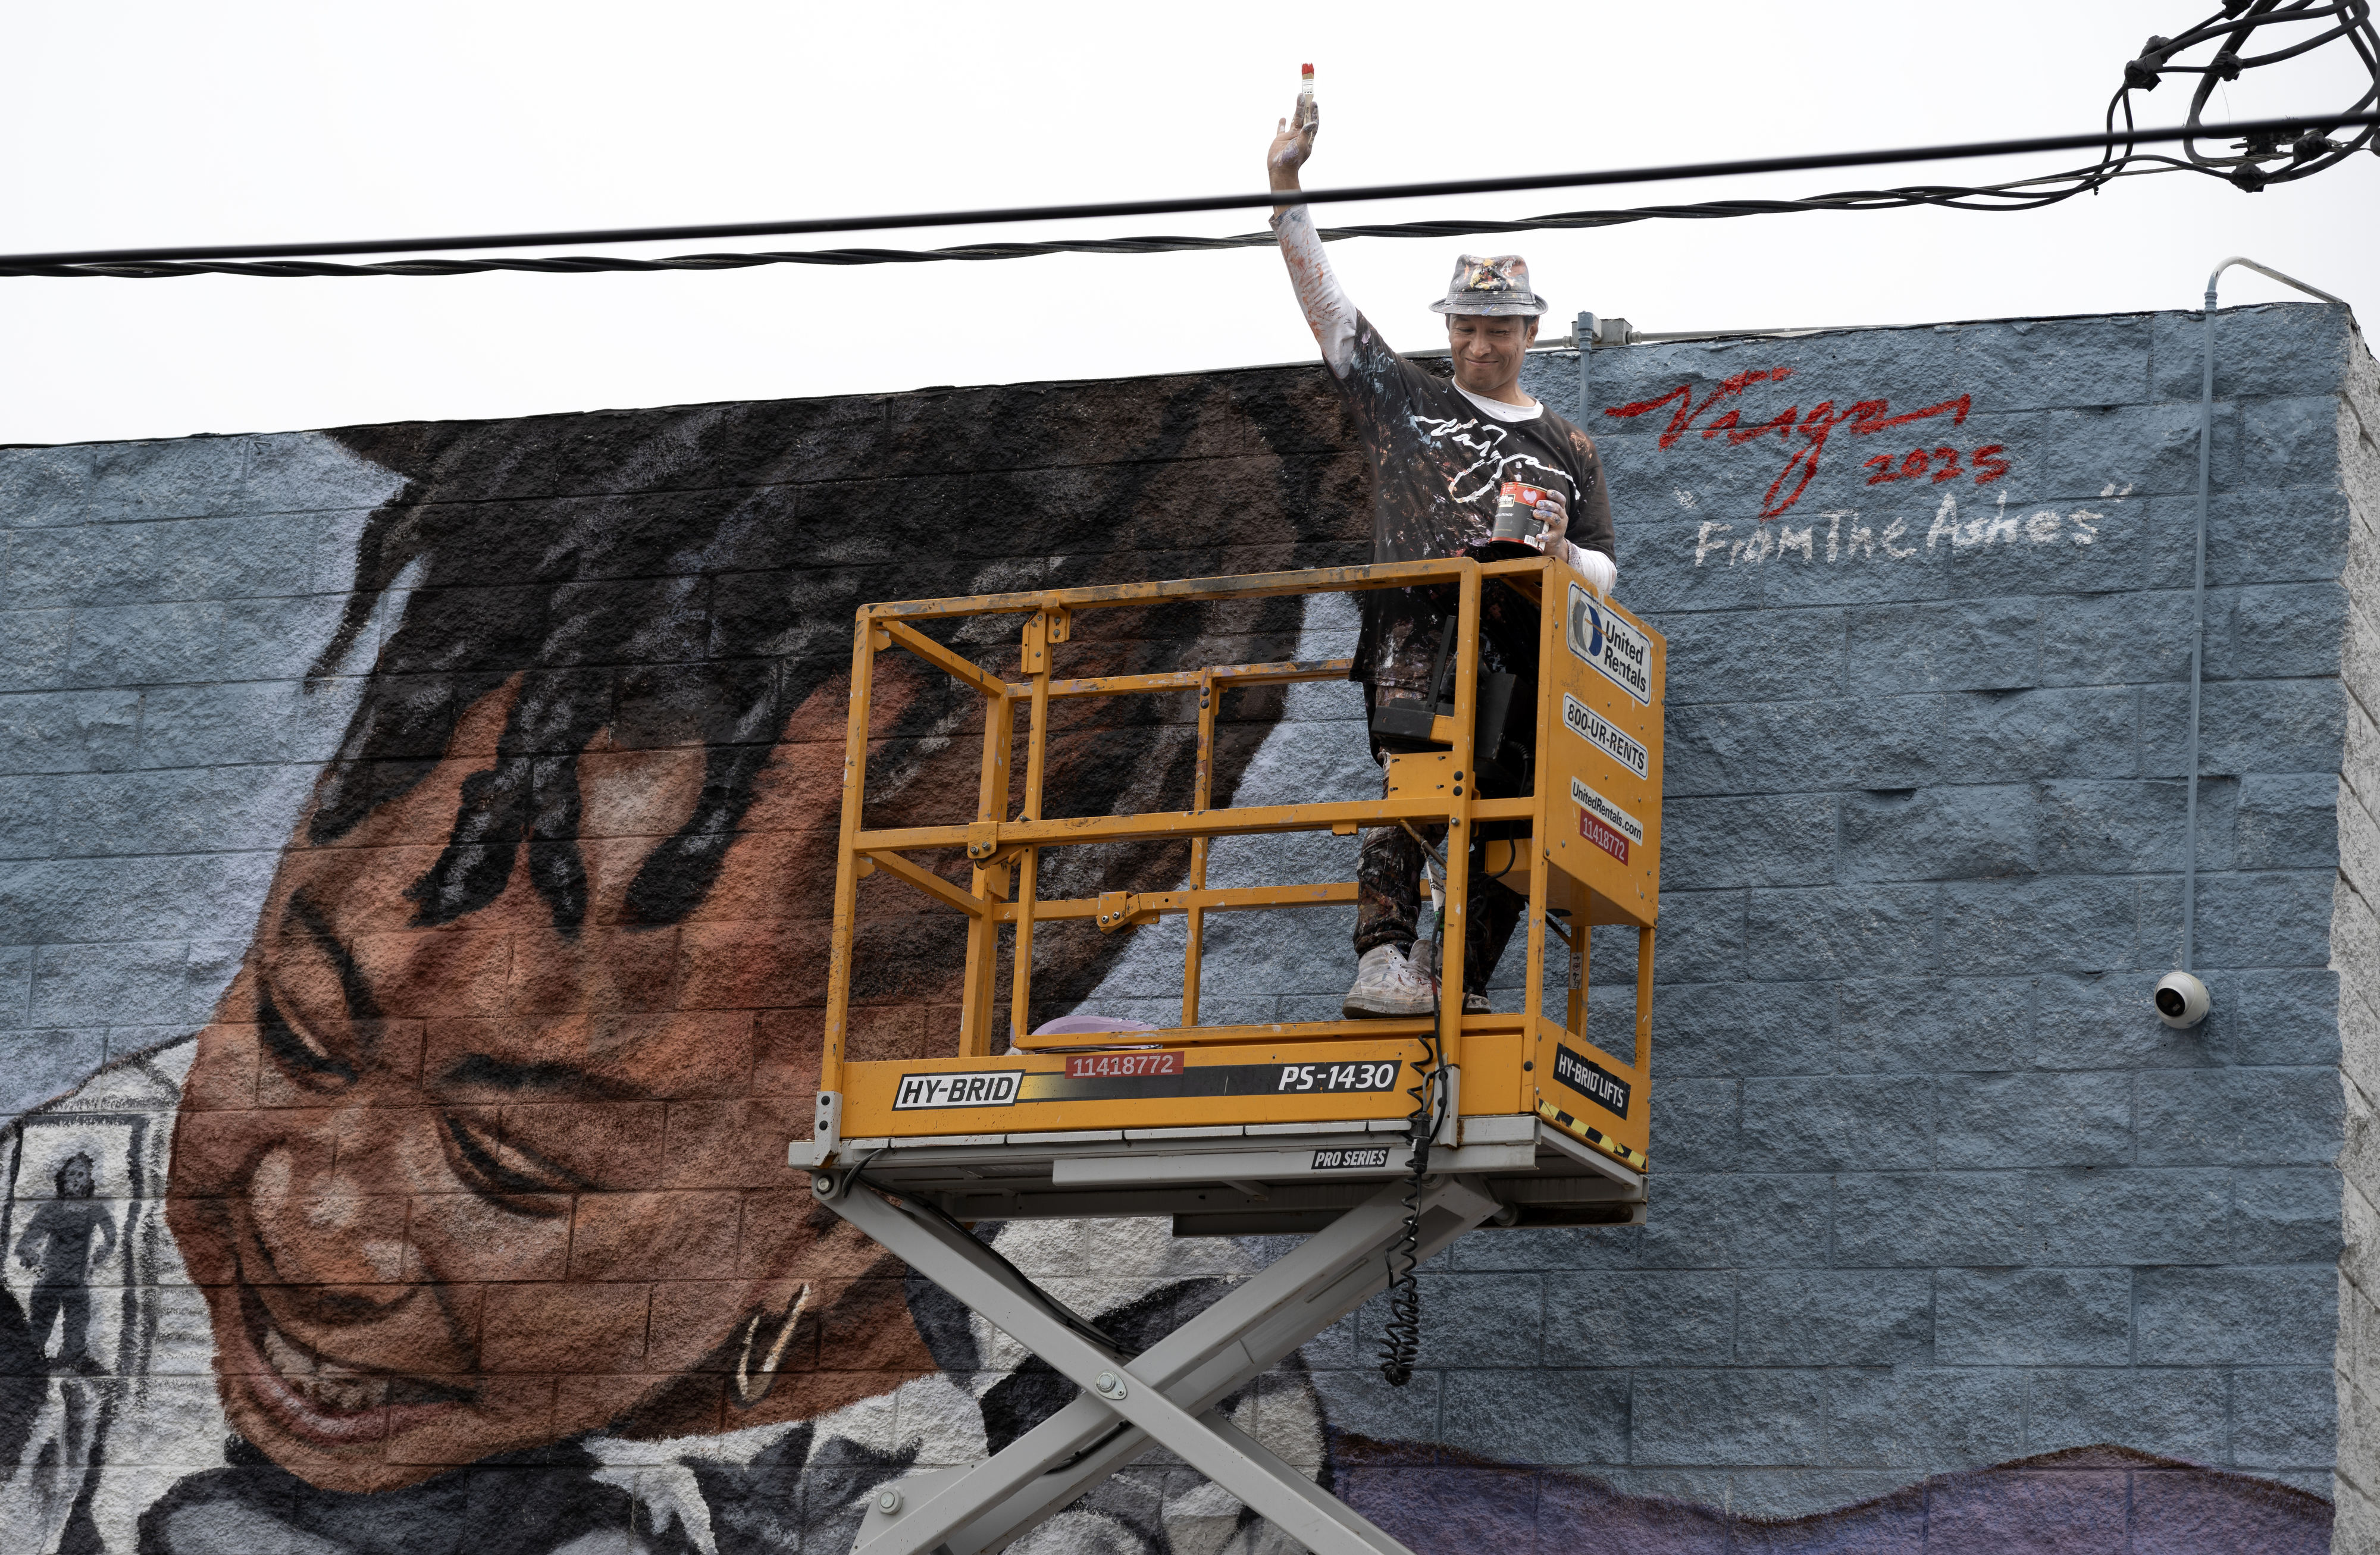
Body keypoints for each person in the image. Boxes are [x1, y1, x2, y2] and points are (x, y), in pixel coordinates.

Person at [1265, 82, 1620, 1020]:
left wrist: (1558, 558)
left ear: (1531, 332)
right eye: (1464, 325)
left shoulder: (1570, 446)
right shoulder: (1405, 399)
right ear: (1448, 329)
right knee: (1421, 779)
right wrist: (1284, 185)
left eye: (1497, 327)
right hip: (1421, 630)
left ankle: (1452, 977)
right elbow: (1328, 310)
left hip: (1528, 653)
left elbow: (1607, 566)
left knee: (1521, 821)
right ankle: (1385, 956)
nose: (1478, 341)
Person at [12, 1153, 116, 1373]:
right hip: (49, 1284)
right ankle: (31, 1377)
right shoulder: (52, 1209)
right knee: (38, 1336)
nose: (75, 1179)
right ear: (63, 1178)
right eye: (71, 1174)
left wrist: (100, 1256)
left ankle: (68, 1374)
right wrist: (34, 1261)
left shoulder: (94, 1209)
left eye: (81, 1175)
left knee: (76, 1340)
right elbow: (25, 1244)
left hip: (77, 1285)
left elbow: (111, 1236)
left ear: (89, 1180)